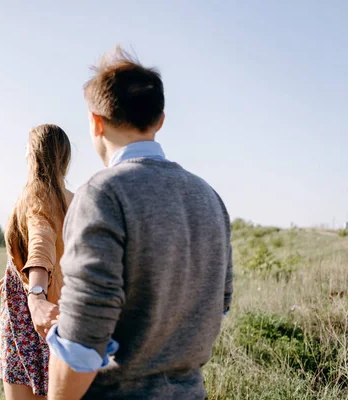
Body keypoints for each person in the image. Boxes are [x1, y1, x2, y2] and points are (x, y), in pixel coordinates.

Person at [46, 47, 234, 400]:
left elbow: (82, 340)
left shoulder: (102, 194)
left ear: (95, 121)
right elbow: (219, 302)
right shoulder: (209, 197)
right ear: (160, 120)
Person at [0, 124, 74, 400]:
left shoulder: (36, 195)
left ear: (33, 155)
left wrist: (36, 293)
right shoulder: (74, 201)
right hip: (66, 310)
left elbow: (41, 242)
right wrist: (15, 274)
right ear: (64, 158)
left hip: (32, 316)